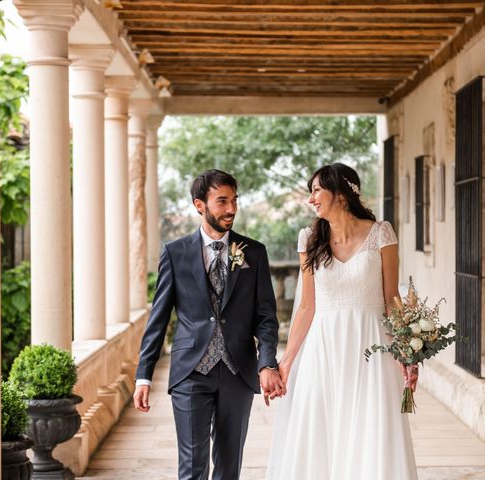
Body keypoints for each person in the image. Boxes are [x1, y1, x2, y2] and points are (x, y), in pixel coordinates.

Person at [266, 162, 418, 480]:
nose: (311, 199)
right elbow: (307, 306)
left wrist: (408, 352)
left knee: (371, 430)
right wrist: (287, 361)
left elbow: (392, 299)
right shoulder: (309, 239)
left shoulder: (381, 234)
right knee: (319, 432)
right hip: (323, 351)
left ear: (341, 194)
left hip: (373, 351)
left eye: (316, 190)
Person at [134, 169, 285, 480]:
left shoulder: (253, 253)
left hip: (237, 371)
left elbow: (266, 316)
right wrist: (143, 376)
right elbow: (159, 318)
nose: (231, 209)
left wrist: (267, 362)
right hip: (191, 372)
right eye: (221, 202)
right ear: (199, 205)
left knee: (229, 468)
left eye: (234, 201)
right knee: (192, 468)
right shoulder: (175, 253)